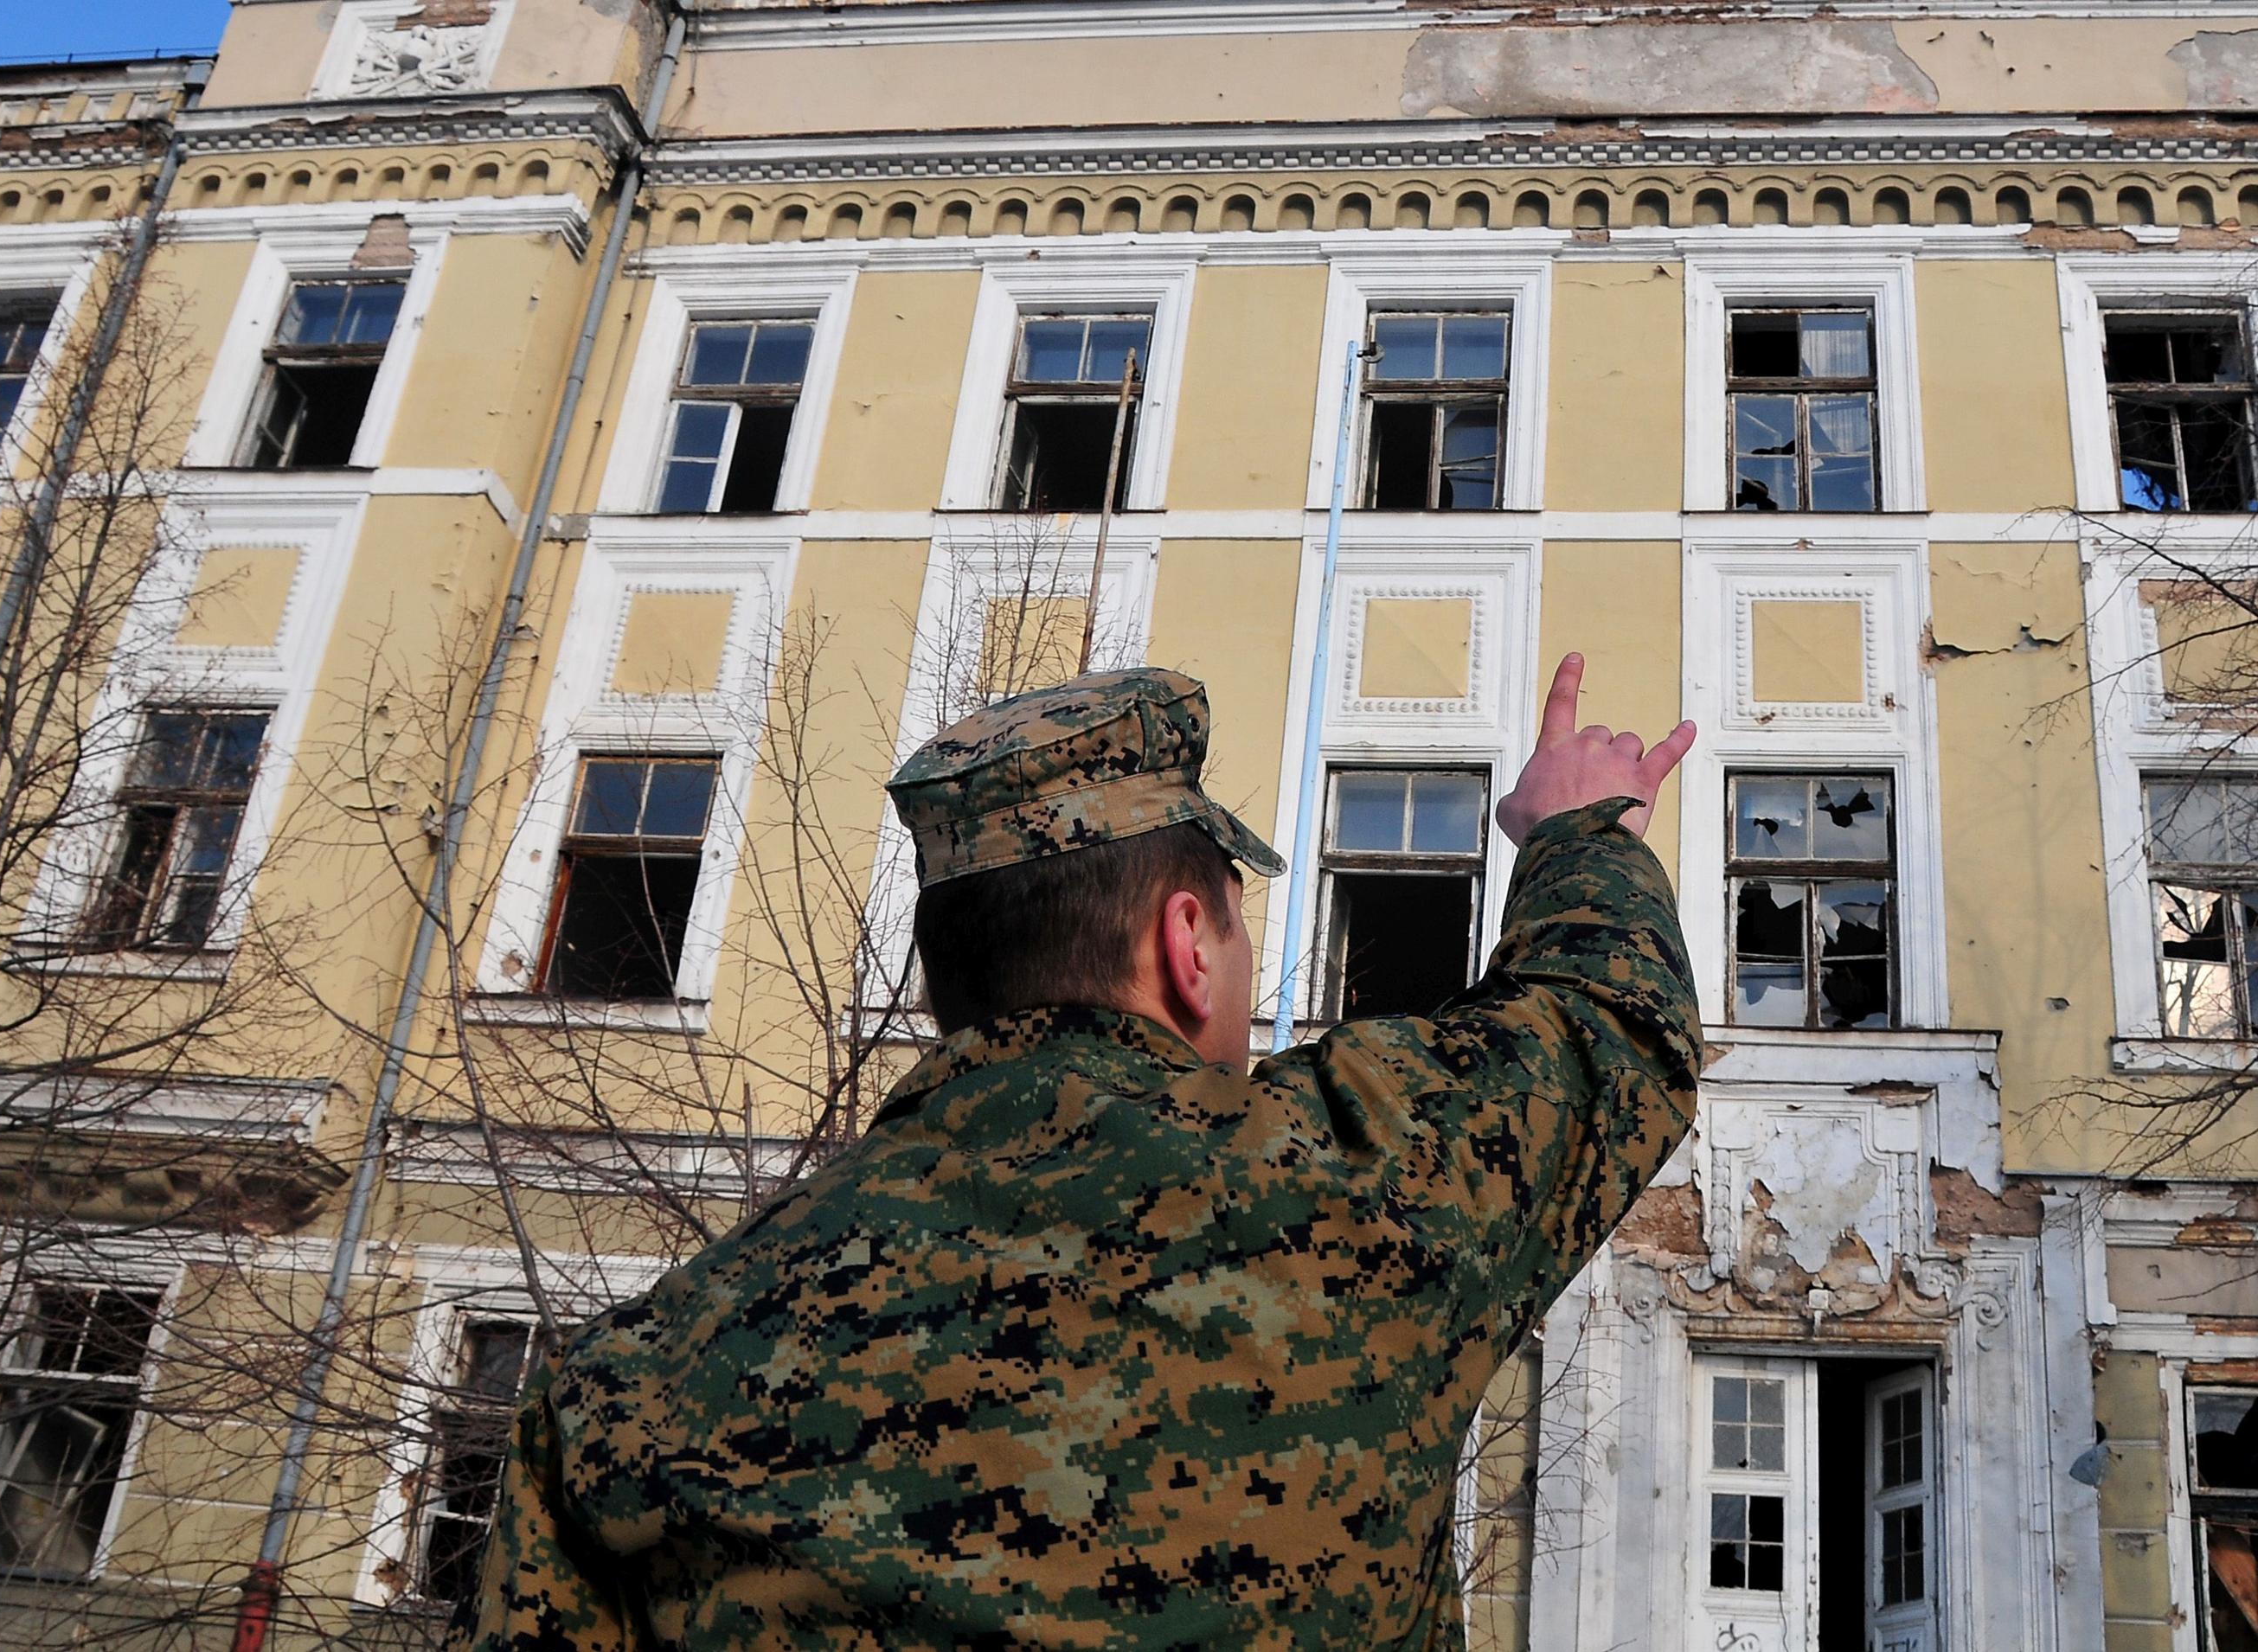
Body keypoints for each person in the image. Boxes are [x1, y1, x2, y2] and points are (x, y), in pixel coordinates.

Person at [469, 650, 1698, 1649]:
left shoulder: (629, 1382)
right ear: (1187, 944)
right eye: (1232, 918)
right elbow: (1612, 1024)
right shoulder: (1367, 1187)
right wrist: (1576, 826)